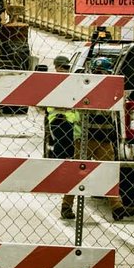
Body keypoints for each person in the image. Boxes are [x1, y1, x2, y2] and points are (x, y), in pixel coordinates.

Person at [45, 54, 82, 221]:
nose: (65, 70)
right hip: (58, 120)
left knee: (69, 151)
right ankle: (57, 173)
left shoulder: (72, 81)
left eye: (67, 68)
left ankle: (60, 171)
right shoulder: (53, 82)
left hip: (72, 123)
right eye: (63, 67)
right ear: (56, 66)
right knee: (61, 147)